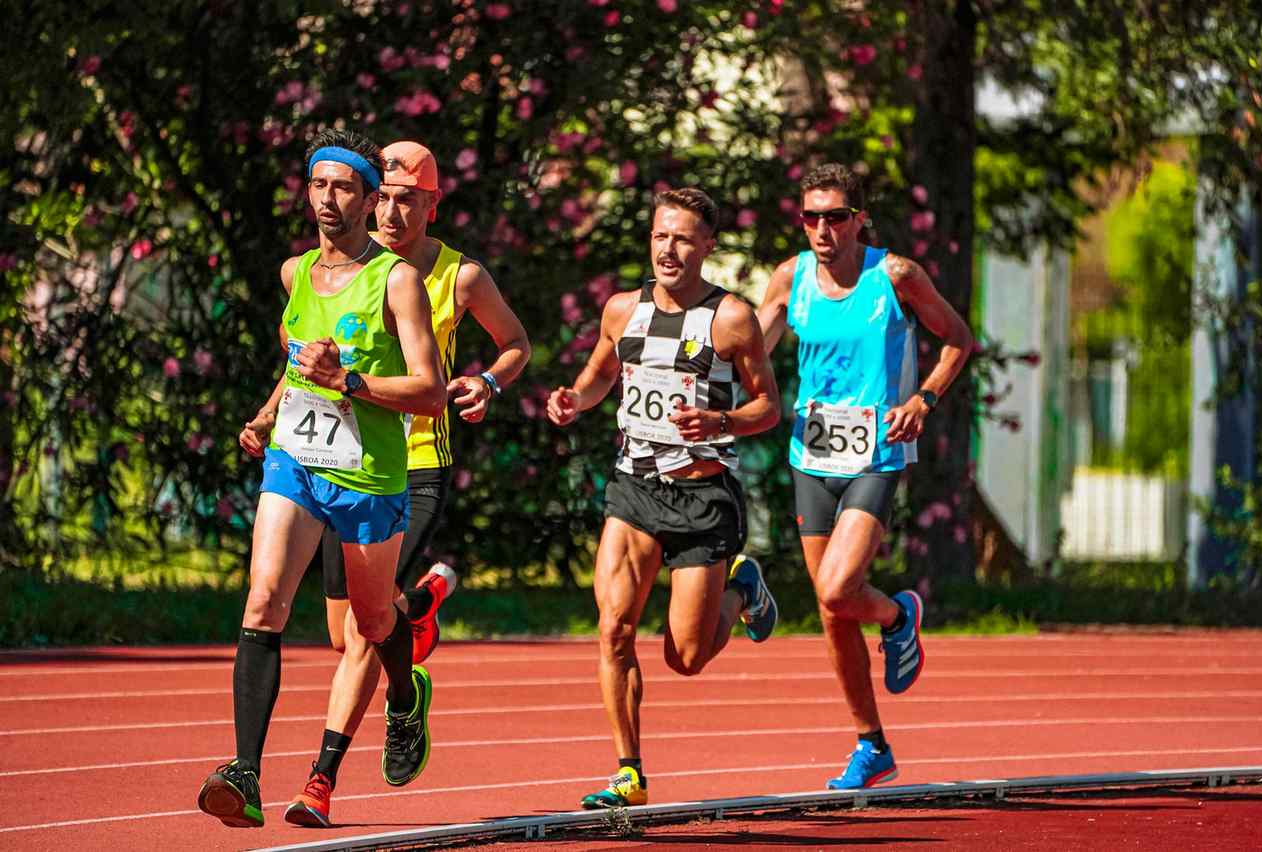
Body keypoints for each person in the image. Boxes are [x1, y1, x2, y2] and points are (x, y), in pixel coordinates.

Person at [198, 128, 448, 829]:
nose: (329, 199)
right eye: (318, 185)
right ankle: (245, 773)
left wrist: (352, 381)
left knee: (372, 621)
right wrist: (264, 415)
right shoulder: (295, 274)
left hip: (369, 474)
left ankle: (405, 695)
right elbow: (296, 364)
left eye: (344, 187)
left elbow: (431, 391)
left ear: (369, 200)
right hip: (297, 462)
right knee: (264, 601)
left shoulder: (396, 280)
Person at [280, 140, 531, 827]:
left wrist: (488, 381)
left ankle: (320, 781)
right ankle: (415, 615)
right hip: (343, 461)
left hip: (416, 464)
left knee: (362, 636)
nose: (392, 213)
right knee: (346, 633)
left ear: (432, 204)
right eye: (384, 198)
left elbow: (516, 343)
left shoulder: (460, 276)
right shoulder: (338, 270)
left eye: (407, 200)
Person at [547, 187, 782, 809]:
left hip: (703, 499)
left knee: (686, 657)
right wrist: (574, 400)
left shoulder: (731, 319)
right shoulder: (623, 309)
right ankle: (629, 772)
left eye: (682, 238)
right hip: (635, 490)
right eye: (660, 236)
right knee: (613, 628)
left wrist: (720, 421)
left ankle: (743, 589)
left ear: (707, 246)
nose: (668, 250)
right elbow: (600, 374)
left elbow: (767, 406)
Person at [752, 163, 973, 790]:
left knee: (835, 589)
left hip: (876, 454)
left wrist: (923, 400)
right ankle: (871, 744)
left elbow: (957, 339)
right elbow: (753, 345)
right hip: (811, 457)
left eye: (836, 217)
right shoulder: (791, 277)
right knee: (833, 611)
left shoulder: (895, 277)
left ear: (859, 219)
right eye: (811, 217)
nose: (823, 229)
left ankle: (898, 617)